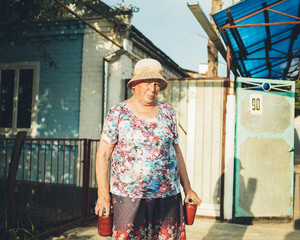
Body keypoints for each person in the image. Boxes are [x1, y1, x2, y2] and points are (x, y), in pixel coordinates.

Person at [95, 58, 201, 239]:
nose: (152, 88)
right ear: (134, 84)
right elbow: (103, 154)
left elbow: (176, 151)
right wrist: (103, 195)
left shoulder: (168, 113)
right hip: (127, 197)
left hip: (167, 196)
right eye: (147, 82)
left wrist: (188, 188)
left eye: (156, 83)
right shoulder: (117, 113)